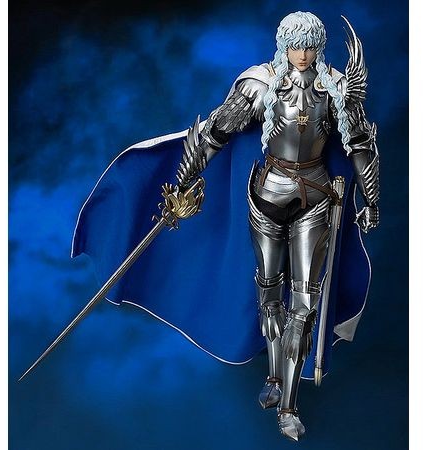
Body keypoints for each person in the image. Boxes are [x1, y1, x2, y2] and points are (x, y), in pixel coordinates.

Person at [72, 10, 379, 442]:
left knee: (304, 304)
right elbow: (216, 132)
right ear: (284, 45)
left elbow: (360, 143)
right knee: (268, 292)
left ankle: (289, 405)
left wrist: (371, 199)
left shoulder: (336, 89)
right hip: (268, 195)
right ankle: (274, 377)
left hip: (316, 196)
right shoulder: (260, 85)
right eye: (296, 45)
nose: (303, 54)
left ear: (319, 47)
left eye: (310, 46)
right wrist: (184, 181)